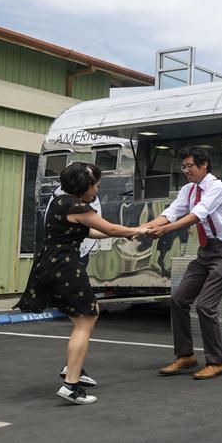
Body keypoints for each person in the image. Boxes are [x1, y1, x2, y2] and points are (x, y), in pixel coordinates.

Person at [15, 162, 147, 404]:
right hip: (64, 267)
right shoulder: (76, 206)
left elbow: (94, 231)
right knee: (85, 319)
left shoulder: (61, 202)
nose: (96, 190)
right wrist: (137, 229)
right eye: (95, 185)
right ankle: (71, 384)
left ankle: (72, 369)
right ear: (84, 185)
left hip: (52, 264)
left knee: (88, 314)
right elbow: (110, 228)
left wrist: (128, 232)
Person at [145, 146, 222, 380]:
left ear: (204, 165)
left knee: (205, 306)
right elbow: (171, 213)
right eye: (184, 167)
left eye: (190, 166)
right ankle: (186, 356)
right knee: (178, 300)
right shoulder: (188, 190)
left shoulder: (217, 187)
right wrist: (145, 228)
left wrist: (164, 230)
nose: (186, 170)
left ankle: (216, 362)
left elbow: (196, 215)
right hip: (205, 252)